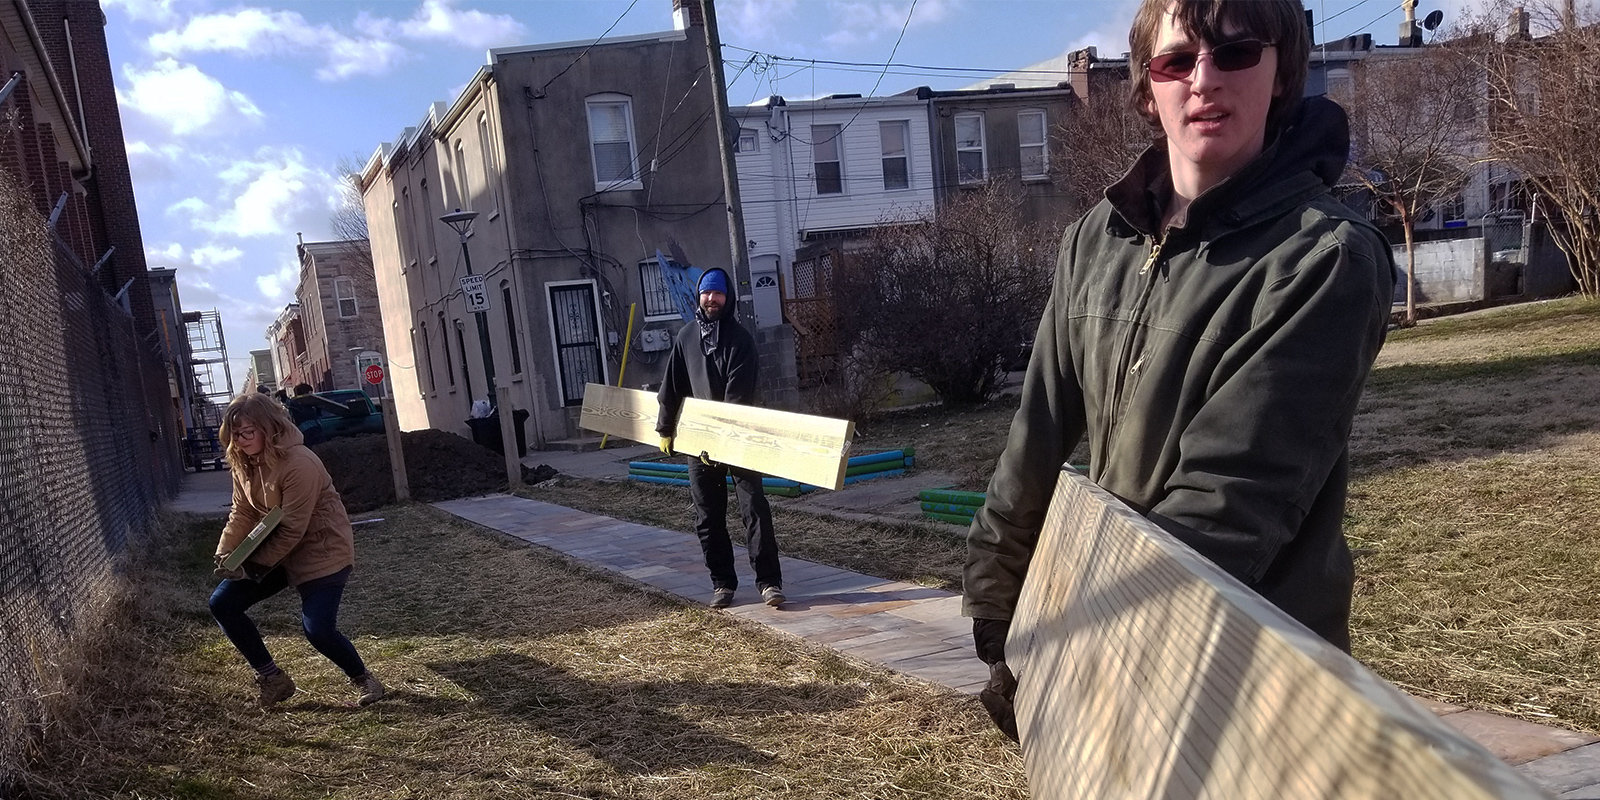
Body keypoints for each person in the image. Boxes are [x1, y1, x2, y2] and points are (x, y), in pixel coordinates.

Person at [963, 0, 1396, 738]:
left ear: (1282, 70)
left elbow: (1226, 505)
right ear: (1144, 85)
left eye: (1235, 53)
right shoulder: (1097, 238)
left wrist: (1078, 657)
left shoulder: (1324, 258)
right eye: (1176, 59)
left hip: (1249, 673)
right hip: (1122, 632)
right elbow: (1034, 435)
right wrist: (997, 594)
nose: (1204, 79)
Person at [209, 392, 385, 709]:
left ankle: (363, 678)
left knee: (317, 629)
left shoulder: (299, 463)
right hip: (278, 547)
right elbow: (243, 512)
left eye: (250, 431)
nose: (242, 439)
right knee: (223, 604)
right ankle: (272, 678)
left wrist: (253, 565)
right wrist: (227, 552)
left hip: (321, 547)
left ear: (269, 427)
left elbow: (293, 527)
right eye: (236, 434)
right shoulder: (244, 461)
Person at [657, 268, 785, 609]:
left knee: (754, 508)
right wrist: (665, 428)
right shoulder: (686, 338)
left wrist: (720, 441)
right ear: (699, 296)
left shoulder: (740, 340)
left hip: (738, 437)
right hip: (698, 443)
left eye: (718, 294)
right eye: (706, 293)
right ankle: (722, 584)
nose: (711, 299)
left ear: (727, 298)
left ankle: (769, 582)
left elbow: (737, 400)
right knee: (707, 515)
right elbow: (672, 387)